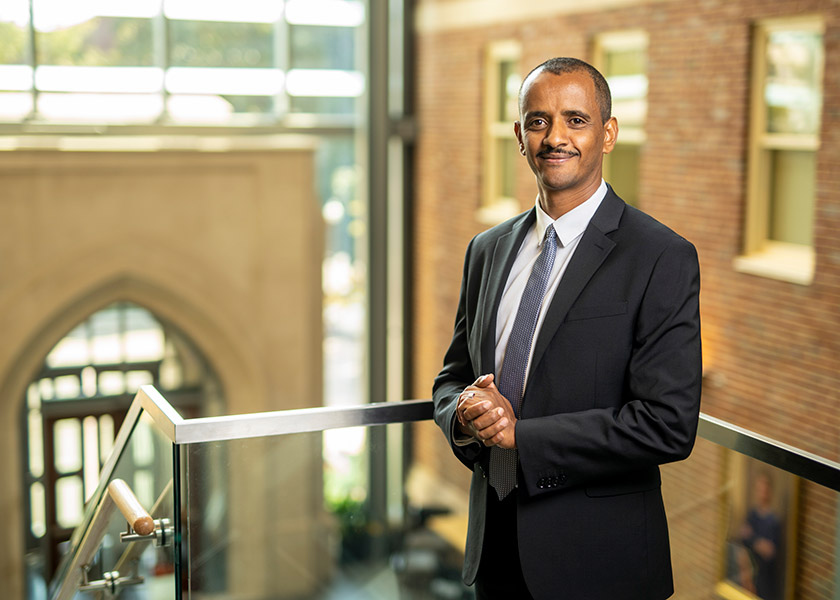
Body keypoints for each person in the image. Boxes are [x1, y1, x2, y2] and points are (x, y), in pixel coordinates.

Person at [432, 57, 702, 600]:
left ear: (607, 134)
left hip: (600, 566)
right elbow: (452, 377)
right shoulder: (487, 251)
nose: (555, 137)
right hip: (496, 555)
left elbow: (668, 425)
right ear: (519, 136)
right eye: (538, 121)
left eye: (575, 120)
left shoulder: (659, 256)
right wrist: (462, 413)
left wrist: (521, 437)